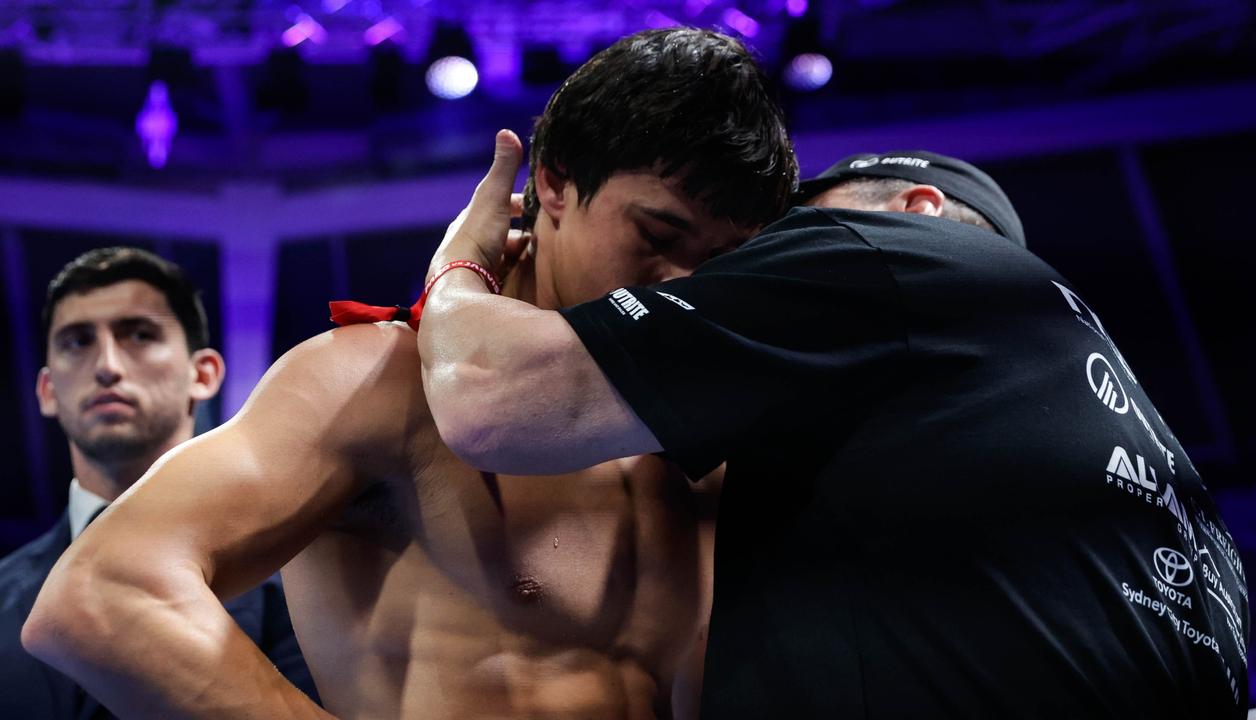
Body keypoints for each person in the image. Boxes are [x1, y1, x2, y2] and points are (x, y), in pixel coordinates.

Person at [22, 28, 797, 719]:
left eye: (720, 261)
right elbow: (105, 596)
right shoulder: (379, 381)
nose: (682, 285)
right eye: (657, 233)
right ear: (554, 184)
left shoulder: (705, 428)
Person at [416, 145, 1251, 718]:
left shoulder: (891, 258)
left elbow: (488, 394)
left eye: (788, 233)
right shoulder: (1140, 461)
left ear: (919, 208)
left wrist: (462, 259)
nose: (747, 264)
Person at [0, 247, 319, 718]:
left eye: (139, 335)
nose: (107, 364)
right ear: (47, 390)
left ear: (203, 374)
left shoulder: (296, 594)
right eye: (77, 341)